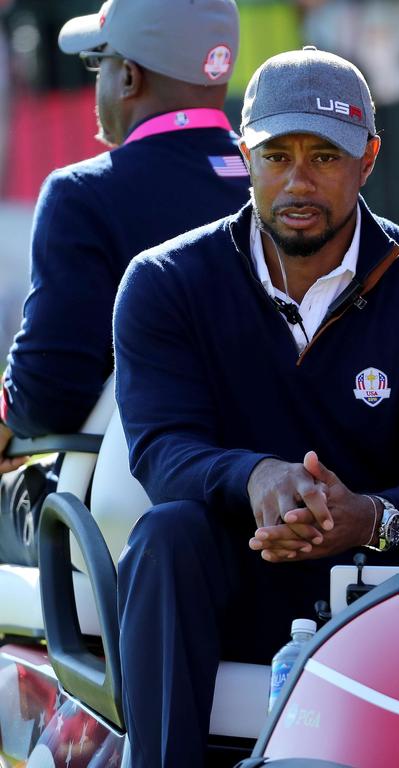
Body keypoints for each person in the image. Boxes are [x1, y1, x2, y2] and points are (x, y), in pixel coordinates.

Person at [112, 47, 399, 766]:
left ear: (369, 159)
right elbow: (162, 448)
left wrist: (370, 518)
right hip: (231, 579)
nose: (298, 180)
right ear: (244, 156)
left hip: (384, 583)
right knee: (166, 536)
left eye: (325, 157)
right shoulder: (165, 280)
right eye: (277, 155)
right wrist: (257, 478)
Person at [0, 0, 249, 474]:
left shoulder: (82, 194)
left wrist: (9, 412)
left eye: (100, 62)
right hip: (284, 493)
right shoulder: (278, 185)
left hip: (132, 499)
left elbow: (49, 394)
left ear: (129, 78)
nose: (98, 81)